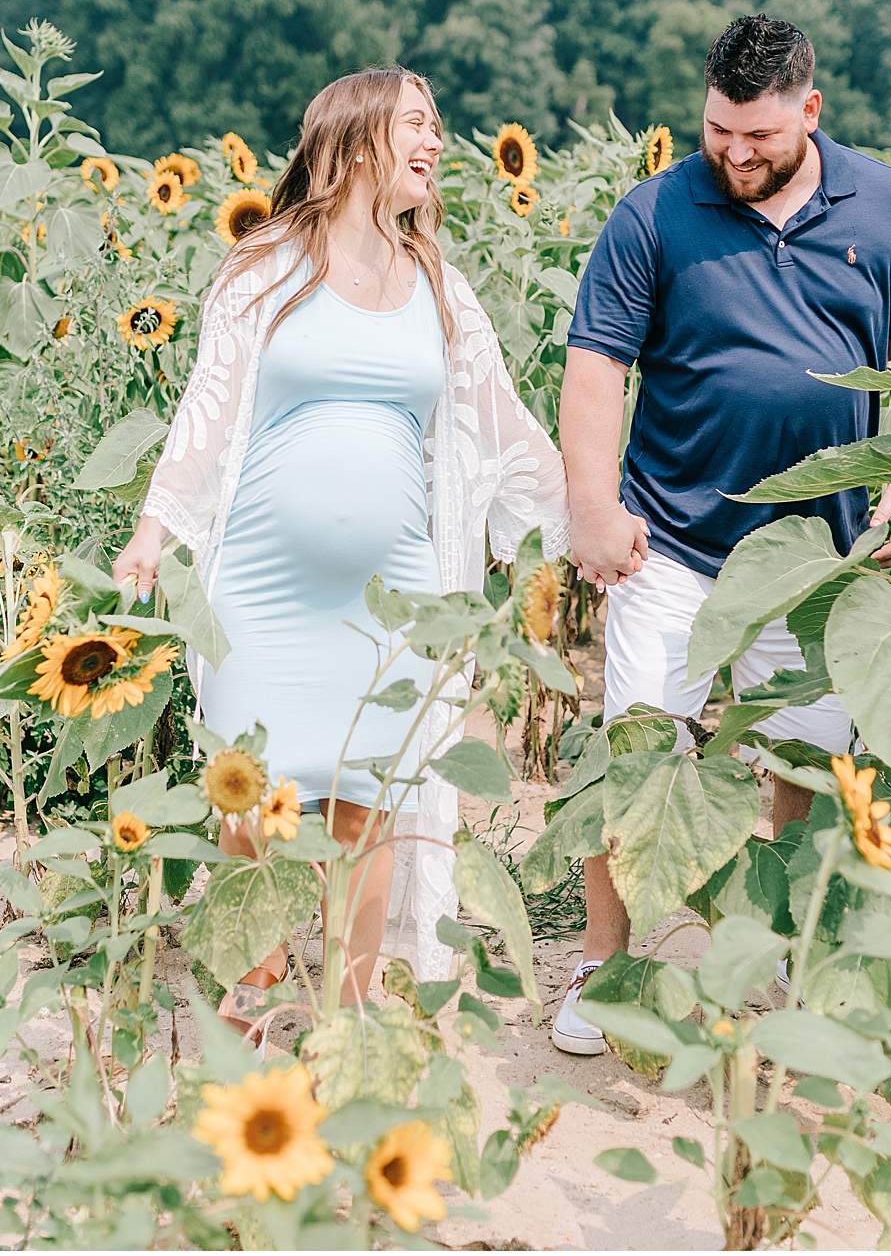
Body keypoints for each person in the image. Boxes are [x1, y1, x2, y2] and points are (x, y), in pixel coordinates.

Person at [112, 70, 569, 1031]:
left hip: (391, 594)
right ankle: (255, 1001)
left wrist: (589, 515)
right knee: (255, 799)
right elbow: (208, 407)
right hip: (262, 588)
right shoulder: (264, 268)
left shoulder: (438, 284)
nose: (438, 143)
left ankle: (349, 1022)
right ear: (358, 140)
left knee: (368, 803)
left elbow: (502, 424)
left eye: (438, 127)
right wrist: (155, 528)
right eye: (418, 124)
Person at [552, 14, 891, 1056]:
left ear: (810, 111)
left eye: (759, 137)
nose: (734, 153)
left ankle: (774, 949)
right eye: (719, 129)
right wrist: (592, 505)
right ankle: (607, 962)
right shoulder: (654, 213)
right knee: (640, 753)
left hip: (817, 554)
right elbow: (596, 365)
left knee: (808, 771)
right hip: (671, 540)